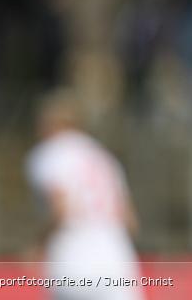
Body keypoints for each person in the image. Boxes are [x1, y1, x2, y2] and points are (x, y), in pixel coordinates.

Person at [26, 91, 144, 300]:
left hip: (74, 258)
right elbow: (130, 220)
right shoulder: (103, 157)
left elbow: (61, 210)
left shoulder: (51, 152)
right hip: (117, 259)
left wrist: (38, 245)